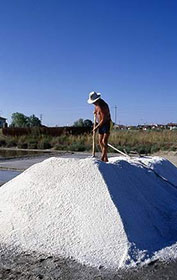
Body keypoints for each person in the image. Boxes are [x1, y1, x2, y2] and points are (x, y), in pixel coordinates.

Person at [87, 91, 111, 162]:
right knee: (100, 141)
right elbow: (96, 111)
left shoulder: (103, 106)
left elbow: (104, 119)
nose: (93, 103)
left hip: (106, 123)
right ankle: (105, 157)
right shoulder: (96, 105)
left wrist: (96, 127)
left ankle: (102, 158)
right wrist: (95, 112)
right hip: (100, 123)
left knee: (104, 141)